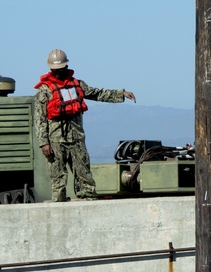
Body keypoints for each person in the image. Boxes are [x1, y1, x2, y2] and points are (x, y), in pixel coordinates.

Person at [34, 49, 135, 202]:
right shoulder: (44, 90)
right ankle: (58, 202)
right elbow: (39, 118)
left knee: (84, 172)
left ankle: (88, 199)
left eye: (61, 69)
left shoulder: (77, 85)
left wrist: (121, 94)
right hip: (55, 140)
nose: (58, 72)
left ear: (66, 67)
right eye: (55, 70)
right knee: (57, 175)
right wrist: (44, 143)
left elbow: (97, 93)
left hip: (76, 138)